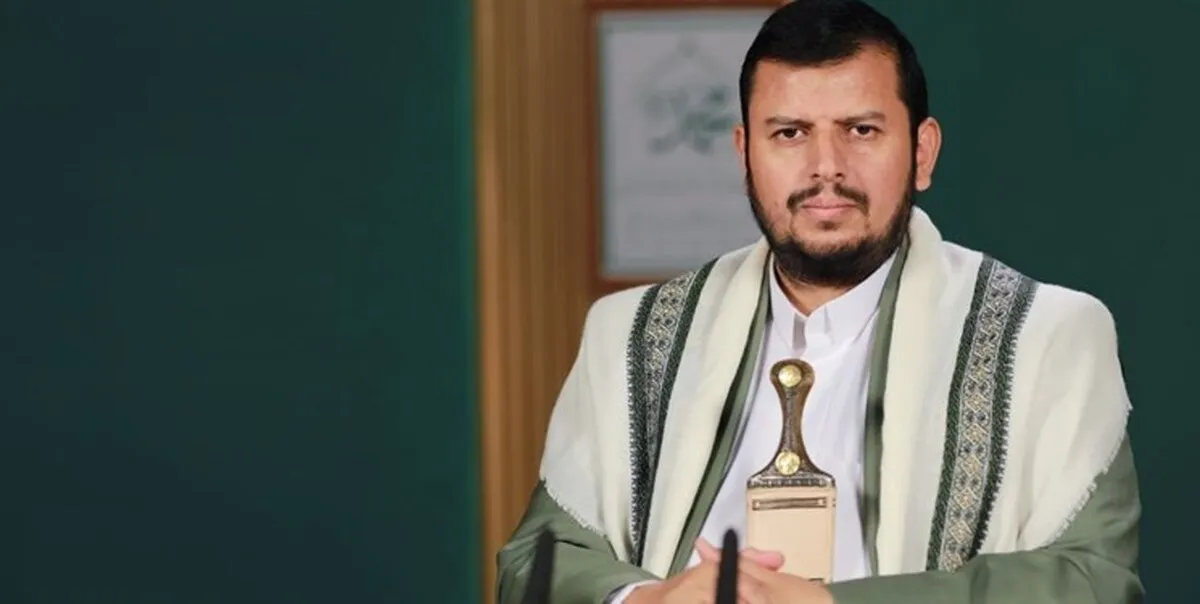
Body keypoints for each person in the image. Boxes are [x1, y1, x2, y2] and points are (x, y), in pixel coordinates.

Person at [496, 0, 1143, 602]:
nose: (825, 167)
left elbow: (1095, 579)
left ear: (922, 153)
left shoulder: (1046, 336)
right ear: (744, 155)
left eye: (861, 130)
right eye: (789, 133)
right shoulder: (633, 335)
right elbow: (535, 561)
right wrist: (652, 598)